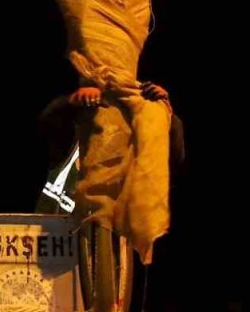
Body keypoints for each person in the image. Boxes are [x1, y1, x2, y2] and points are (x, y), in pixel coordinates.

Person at [36, 81, 184, 214]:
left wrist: (166, 115)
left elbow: (170, 160)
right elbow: (47, 123)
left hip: (109, 243)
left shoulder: (133, 166)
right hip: (49, 240)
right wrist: (71, 101)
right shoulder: (70, 148)